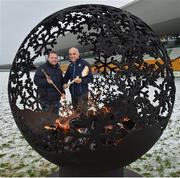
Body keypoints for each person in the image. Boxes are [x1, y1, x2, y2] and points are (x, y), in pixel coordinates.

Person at [34, 51, 65, 115]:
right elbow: (36, 81)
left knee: (55, 119)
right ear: (48, 58)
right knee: (47, 120)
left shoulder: (58, 70)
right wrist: (46, 81)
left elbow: (61, 83)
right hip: (46, 100)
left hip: (56, 99)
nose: (54, 59)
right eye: (52, 58)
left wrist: (63, 92)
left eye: (56, 58)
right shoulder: (42, 68)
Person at [63, 47, 93, 114]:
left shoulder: (85, 64)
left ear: (78, 54)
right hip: (73, 94)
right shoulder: (70, 66)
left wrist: (81, 81)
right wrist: (65, 83)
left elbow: (90, 78)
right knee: (76, 114)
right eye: (70, 54)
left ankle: (84, 124)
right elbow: (66, 77)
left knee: (83, 115)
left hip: (82, 94)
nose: (72, 56)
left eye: (74, 54)